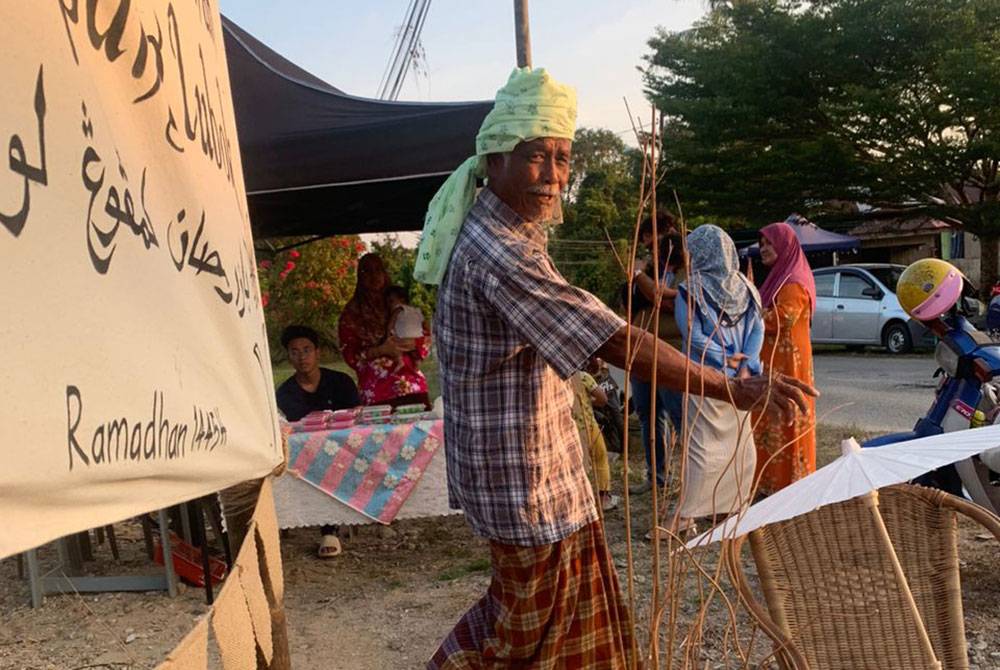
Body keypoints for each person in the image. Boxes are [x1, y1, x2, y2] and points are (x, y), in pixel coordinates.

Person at [414, 66, 815, 669]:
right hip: (525, 485)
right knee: (525, 641)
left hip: (535, 477)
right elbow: (615, 340)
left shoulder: (505, 234)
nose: (553, 176)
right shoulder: (500, 251)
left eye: (562, 158)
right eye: (536, 157)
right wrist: (732, 387)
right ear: (495, 159)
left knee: (536, 627)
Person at [672, 225, 763, 536]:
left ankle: (685, 517)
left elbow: (692, 336)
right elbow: (758, 330)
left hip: (704, 378)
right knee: (740, 445)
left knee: (700, 448)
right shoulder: (747, 288)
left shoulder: (690, 289)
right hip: (743, 380)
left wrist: (725, 359)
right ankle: (733, 509)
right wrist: (744, 364)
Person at [275, 325, 360, 558]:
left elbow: (357, 416)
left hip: (345, 451)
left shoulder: (341, 382)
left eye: (306, 350)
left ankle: (336, 527)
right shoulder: (285, 393)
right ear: (289, 356)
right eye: (295, 352)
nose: (302, 357)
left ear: (317, 352)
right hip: (305, 456)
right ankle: (321, 528)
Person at [753, 221, 818, 494]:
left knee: (785, 417)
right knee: (771, 419)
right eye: (762, 244)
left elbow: (784, 319)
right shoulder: (779, 279)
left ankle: (788, 486)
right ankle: (769, 482)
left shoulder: (793, 282)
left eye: (770, 243)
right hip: (776, 361)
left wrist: (750, 315)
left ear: (785, 246)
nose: (764, 248)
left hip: (788, 364)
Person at [625, 218, 687, 494]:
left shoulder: (686, 270)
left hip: (669, 350)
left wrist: (640, 276)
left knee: (678, 415)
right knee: (647, 415)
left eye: (655, 240)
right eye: (648, 244)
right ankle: (657, 477)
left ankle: (694, 482)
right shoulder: (652, 269)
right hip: (641, 350)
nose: (652, 247)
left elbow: (666, 301)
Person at [338, 254, 431, 409]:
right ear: (360, 276)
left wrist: (415, 343)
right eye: (367, 271)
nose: (374, 276)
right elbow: (350, 355)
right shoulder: (352, 314)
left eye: (378, 270)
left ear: (384, 272)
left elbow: (425, 334)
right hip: (376, 390)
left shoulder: (397, 301)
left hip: (411, 384)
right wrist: (380, 350)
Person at [571, 370, 619, 511]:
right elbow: (603, 399)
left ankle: (579, 501)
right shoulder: (583, 377)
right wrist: (589, 402)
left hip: (570, 431)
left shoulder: (555, 381)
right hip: (589, 427)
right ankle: (603, 499)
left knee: (577, 466)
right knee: (600, 459)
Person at [587, 357, 624, 455]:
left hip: (601, 380)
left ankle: (623, 447)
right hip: (597, 378)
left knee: (615, 415)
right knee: (612, 416)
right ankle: (621, 446)